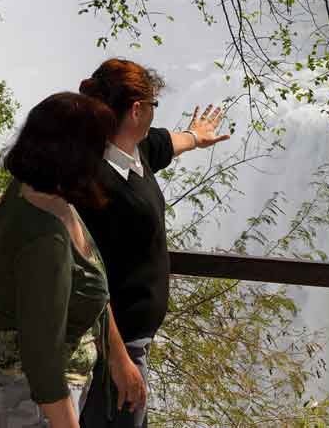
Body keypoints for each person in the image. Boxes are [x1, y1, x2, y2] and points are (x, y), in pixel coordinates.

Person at [77, 58, 230, 427]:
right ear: (135, 110)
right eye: (152, 106)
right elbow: (86, 280)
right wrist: (119, 360)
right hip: (112, 348)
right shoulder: (92, 183)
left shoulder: (136, 152)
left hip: (134, 343)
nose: (153, 115)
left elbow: (168, 143)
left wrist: (195, 137)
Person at [0, 92, 133, 428]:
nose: (103, 155)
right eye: (98, 146)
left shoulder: (40, 191)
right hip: (26, 401)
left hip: (36, 396)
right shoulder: (45, 241)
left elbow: (91, 285)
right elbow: (42, 361)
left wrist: (119, 359)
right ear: (73, 154)